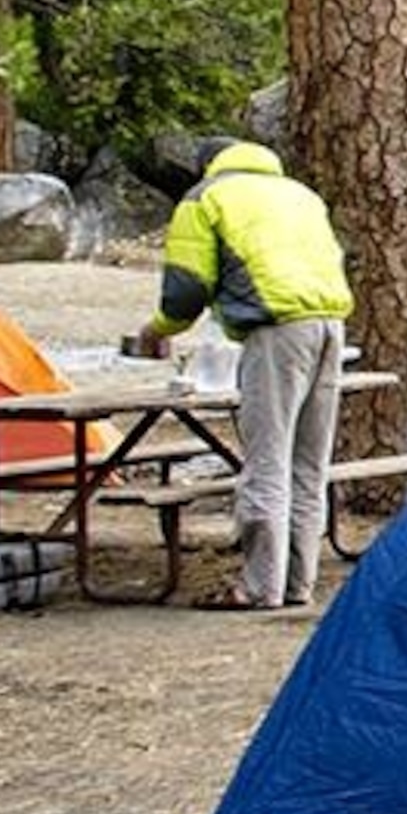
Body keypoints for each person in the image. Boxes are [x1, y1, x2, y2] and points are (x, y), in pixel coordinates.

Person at [134, 140, 353, 611]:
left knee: (267, 460)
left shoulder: (206, 198)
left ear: (207, 165)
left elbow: (186, 291)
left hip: (275, 332)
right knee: (308, 464)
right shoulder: (300, 195)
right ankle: (298, 582)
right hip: (331, 326)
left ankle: (259, 587)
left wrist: (156, 331)